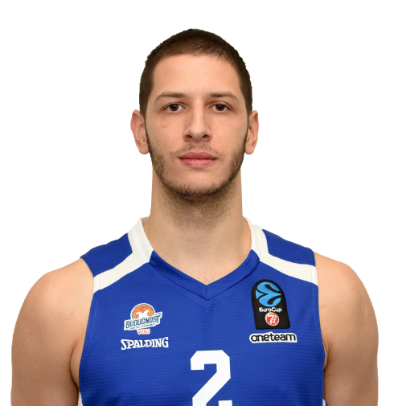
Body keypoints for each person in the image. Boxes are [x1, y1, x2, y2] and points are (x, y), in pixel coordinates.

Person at [11, 29, 378, 406]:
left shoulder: (331, 295)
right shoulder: (63, 303)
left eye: (220, 106)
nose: (197, 128)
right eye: (174, 106)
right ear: (140, 132)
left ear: (252, 132)